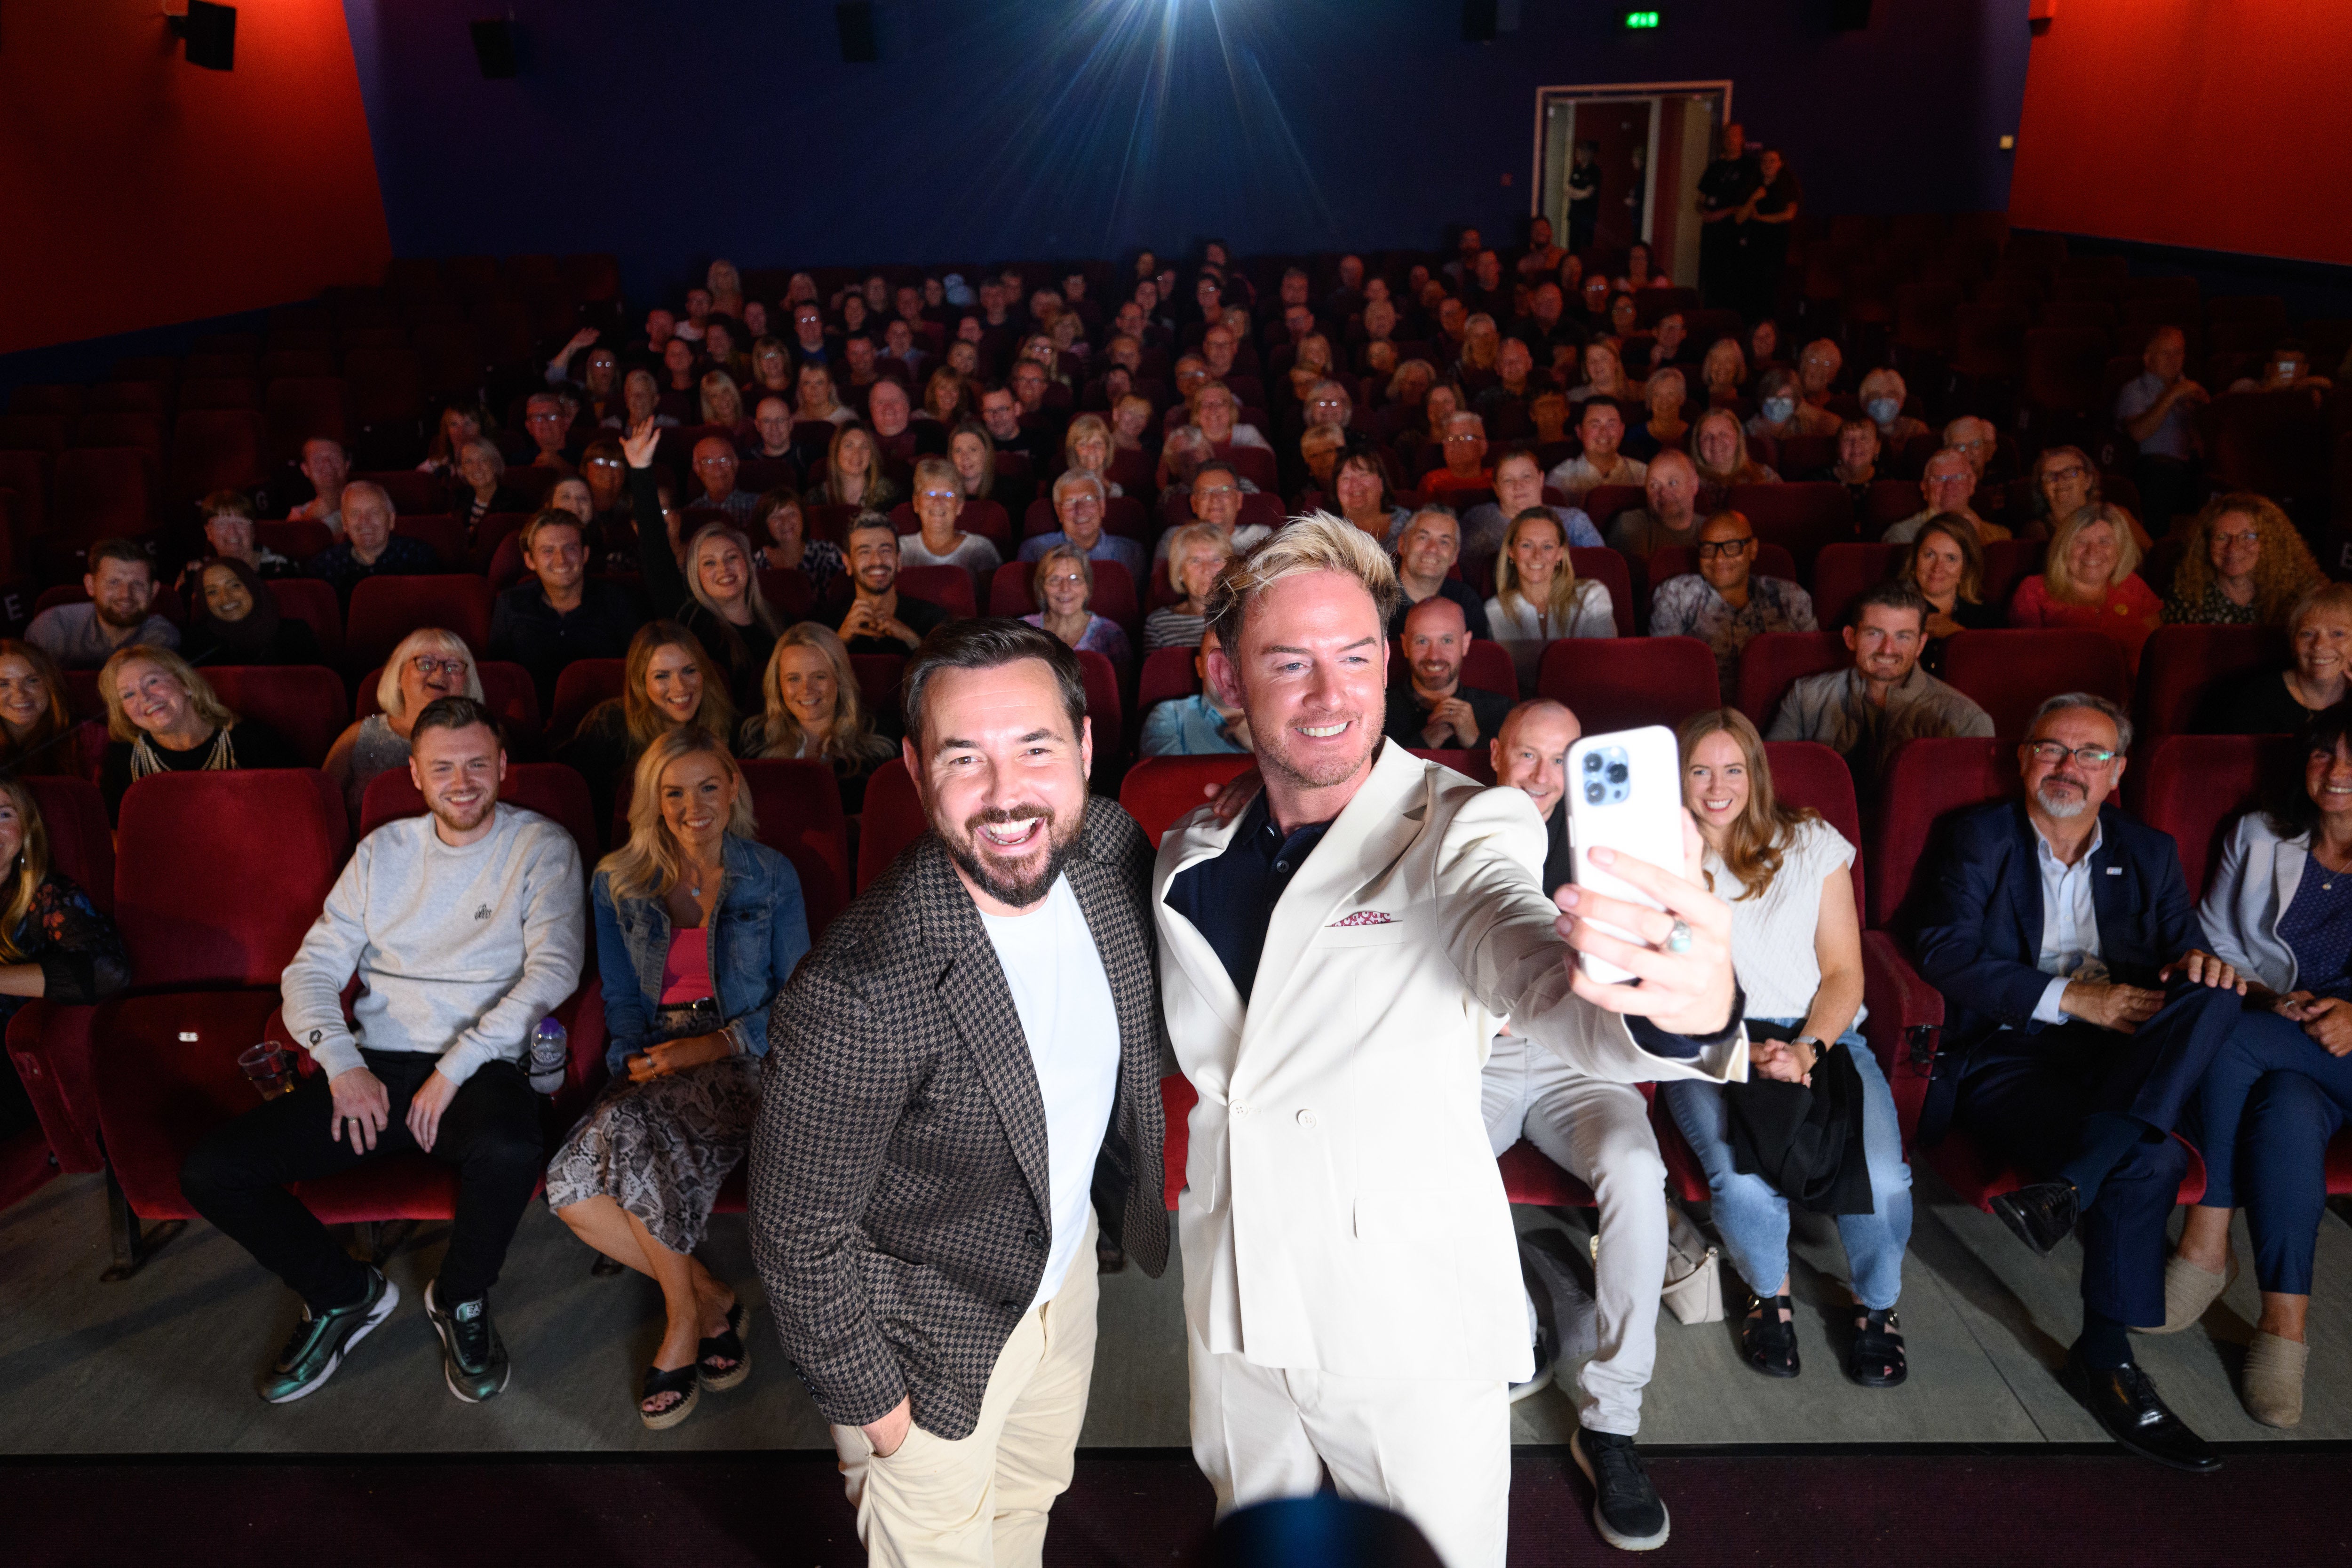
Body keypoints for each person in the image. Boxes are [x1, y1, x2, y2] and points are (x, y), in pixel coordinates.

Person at [1154, 513, 1742, 1567]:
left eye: (1355, 658)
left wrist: (1672, 1002)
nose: (1330, 697)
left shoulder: (1464, 826)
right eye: (1288, 663)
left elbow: (1529, 958)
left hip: (1404, 1327)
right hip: (1234, 1302)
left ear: (1388, 665)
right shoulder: (1189, 851)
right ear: (1226, 678)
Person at [754, 619, 1168, 1567]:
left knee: (1028, 1505)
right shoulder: (861, 991)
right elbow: (796, 1234)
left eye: (1034, 747)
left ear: (1085, 748)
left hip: (1062, 1286)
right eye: (962, 757)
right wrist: (880, 1415)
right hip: (924, 1346)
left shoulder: (1109, 849)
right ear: (912, 768)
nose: (1005, 793)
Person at [180, 697, 583, 1405]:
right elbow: (311, 970)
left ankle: (459, 1296)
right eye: (443, 769)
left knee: (515, 1148)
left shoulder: (540, 846)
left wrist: (452, 1070)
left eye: (477, 765)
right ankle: (342, 1295)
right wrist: (343, 1064)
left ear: (503, 768)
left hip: (480, 1067)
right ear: (417, 778)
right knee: (213, 1169)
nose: (463, 782)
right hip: (373, 1064)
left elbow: (554, 971)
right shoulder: (383, 851)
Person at [1914, 694, 2247, 1471]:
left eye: (2091, 753)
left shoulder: (2150, 850)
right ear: (2025, 757)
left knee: (2218, 992)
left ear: (2118, 771)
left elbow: (2183, 951)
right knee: (2156, 1160)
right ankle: (2107, 1358)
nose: (2070, 766)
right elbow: (1941, 952)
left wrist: (2193, 966)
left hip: (2120, 1056)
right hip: (2009, 1051)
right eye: (2053, 749)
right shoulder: (1979, 838)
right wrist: (2074, 998)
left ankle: (2070, 1184)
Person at [549, 728, 809, 1429]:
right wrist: (636, 1061)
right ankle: (707, 1297)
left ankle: (681, 1325)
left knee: (632, 1136)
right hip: (655, 1057)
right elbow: (623, 1001)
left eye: (707, 787)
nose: (694, 806)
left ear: (732, 787)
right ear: (653, 800)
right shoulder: (618, 879)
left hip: (741, 1058)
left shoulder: (770, 874)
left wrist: (714, 1044)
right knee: (567, 1188)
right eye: (674, 792)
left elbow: (798, 996)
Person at [1659, 710, 1915, 1388]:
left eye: (1734, 769)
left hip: (1818, 1031)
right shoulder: (1660, 854)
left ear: (1756, 774)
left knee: (1884, 1179)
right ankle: (1769, 1295)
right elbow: (1665, 979)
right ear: (1676, 778)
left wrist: (1803, 1050)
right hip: (1707, 1038)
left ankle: (1876, 1305)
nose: (1718, 787)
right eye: (1700, 770)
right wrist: (1740, 1052)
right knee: (1741, 1182)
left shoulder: (1810, 842)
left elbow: (1844, 974)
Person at [2178, 705, 2352, 1426]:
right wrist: (2271, 996)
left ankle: (2207, 1238)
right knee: (2285, 1106)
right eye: (2323, 755)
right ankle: (2285, 1325)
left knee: (2235, 1043)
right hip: (2291, 1038)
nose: (2337, 773)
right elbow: (2217, 939)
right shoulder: (2258, 835)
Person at [1765, 582, 1994, 795]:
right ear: (1851, 638)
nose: (1887, 649)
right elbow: (1766, 780)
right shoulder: (1805, 697)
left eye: (1903, 636)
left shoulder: (1966, 720)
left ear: (1920, 645)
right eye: (1875, 634)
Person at [0, 774, 132, 1140]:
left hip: (16, 1067)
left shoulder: (48, 896)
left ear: (26, 828)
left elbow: (107, 972)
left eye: (4, 814)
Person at [624, 420, 787, 702]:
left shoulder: (778, 621)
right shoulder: (687, 621)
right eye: (709, 563)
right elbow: (656, 551)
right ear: (694, 574)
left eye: (732, 557)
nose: (723, 569)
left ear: (748, 565)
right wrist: (640, 470)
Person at [559, 622, 738, 836]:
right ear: (640, 683)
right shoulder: (608, 726)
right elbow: (582, 816)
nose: (680, 687)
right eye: (662, 676)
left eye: (689, 671)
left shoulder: (731, 726)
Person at [96, 645, 298, 820]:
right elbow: (110, 833)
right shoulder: (121, 756)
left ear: (186, 684)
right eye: (128, 695)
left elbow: (297, 809)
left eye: (152, 682)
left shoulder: (253, 740)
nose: (145, 698)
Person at [1649, 511, 1818, 702]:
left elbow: (1812, 672)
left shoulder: (1790, 598)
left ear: (1753, 549)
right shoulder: (1676, 594)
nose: (1719, 559)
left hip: (1781, 710)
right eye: (1708, 549)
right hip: (1700, 712)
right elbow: (1663, 673)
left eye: (1732, 547)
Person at [323, 628, 485, 818]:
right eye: (425, 663)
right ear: (399, 676)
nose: (440, 672)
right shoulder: (358, 737)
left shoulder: (486, 735)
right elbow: (321, 808)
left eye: (453, 666)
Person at [488, 509, 644, 708]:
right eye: (548, 551)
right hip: (535, 727)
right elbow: (500, 679)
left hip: (610, 719)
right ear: (530, 560)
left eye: (570, 548)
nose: (561, 560)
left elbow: (639, 673)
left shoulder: (618, 601)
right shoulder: (510, 605)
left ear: (585, 554)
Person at [737, 623, 898, 812]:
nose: (807, 690)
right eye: (794, 679)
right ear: (778, 684)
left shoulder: (882, 743)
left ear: (839, 679)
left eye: (819, 677)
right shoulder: (752, 741)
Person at [2009, 506, 2162, 676]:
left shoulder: (2133, 584)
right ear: (2063, 548)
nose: (2092, 552)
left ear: (2120, 550)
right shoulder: (2033, 591)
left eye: (2104, 542)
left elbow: (2160, 653)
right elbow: (2027, 664)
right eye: (2081, 541)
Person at [1485, 508, 1616, 695]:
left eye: (1547, 546)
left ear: (1560, 554)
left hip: (1588, 702)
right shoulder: (1495, 610)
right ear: (1511, 552)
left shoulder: (1592, 597)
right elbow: (1502, 686)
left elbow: (1603, 669)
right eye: (1527, 545)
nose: (1537, 556)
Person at [2200, 582, 2352, 735]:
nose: (2319, 646)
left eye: (2338, 634)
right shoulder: (2255, 700)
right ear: (2293, 642)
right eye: (2308, 634)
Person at [2163, 493, 2319, 627]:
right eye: (2222, 537)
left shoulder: (2299, 597)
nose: (2233, 548)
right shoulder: (2186, 597)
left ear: (2272, 543)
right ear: (2205, 544)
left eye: (2248, 537)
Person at [1383, 596, 1512, 751]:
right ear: (1405, 646)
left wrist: (1476, 741)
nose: (1434, 656)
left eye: (1447, 641)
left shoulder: (1503, 713)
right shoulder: (1377, 713)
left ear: (1465, 644)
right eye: (1422, 641)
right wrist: (1423, 743)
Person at [25, 538, 178, 668]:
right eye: (114, 583)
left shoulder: (162, 638)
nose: (125, 594)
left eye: (137, 584)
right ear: (91, 585)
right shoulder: (51, 630)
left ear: (154, 591)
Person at [2114, 326, 2207, 532]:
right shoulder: (2135, 390)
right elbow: (2138, 433)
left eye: (2178, 353)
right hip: (2151, 469)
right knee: (2163, 473)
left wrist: (2204, 410)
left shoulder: (2192, 390)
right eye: (2166, 353)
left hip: (2189, 467)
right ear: (2148, 359)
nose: (2173, 359)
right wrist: (2172, 395)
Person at [1896, 518, 2004, 672]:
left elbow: (1999, 671)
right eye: (1929, 555)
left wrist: (1958, 636)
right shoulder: (1890, 609)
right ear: (1915, 560)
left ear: (1966, 568)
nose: (1937, 568)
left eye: (1951, 558)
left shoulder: (1990, 618)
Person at [305, 482, 438, 606]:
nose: (364, 522)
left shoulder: (419, 557)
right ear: (344, 524)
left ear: (391, 520)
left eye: (374, 512)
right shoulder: (324, 567)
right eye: (355, 514)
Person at [1460, 449, 1602, 561]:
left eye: (1526, 477)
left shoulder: (1574, 522)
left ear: (1541, 480)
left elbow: (1602, 568)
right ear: (1496, 488)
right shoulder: (1477, 521)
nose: (1518, 486)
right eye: (1508, 480)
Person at [180, 557, 323, 667]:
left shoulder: (296, 635)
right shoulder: (196, 643)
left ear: (253, 588)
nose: (225, 598)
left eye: (235, 586)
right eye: (212, 592)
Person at [1139, 626, 1252, 758]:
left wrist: (1261, 750)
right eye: (1217, 655)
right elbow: (1167, 778)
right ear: (1199, 667)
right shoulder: (1171, 717)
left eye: (1238, 654)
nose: (1229, 666)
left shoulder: (1278, 716)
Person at [1023, 470, 1149, 584]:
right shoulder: (1035, 551)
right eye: (1070, 501)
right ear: (1058, 511)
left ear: (1102, 507)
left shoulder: (1132, 553)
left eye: (1088, 499)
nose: (1080, 510)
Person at [1387, 507, 1493, 641]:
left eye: (1444, 542)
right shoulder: (1375, 600)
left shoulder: (1466, 602)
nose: (1432, 549)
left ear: (1455, 555)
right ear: (1402, 545)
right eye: (1423, 538)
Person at [1024, 546, 1131, 669]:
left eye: (1075, 579)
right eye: (1055, 579)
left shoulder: (1111, 634)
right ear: (1042, 589)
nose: (1065, 588)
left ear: (1087, 587)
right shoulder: (1024, 631)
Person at [0, 639, 92, 779]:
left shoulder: (88, 740)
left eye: (32, 681)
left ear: (51, 685)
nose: (20, 693)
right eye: (3, 684)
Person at [895, 457, 1002, 576]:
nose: (937, 502)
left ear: (959, 506)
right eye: (929, 494)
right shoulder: (901, 549)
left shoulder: (979, 549)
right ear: (916, 503)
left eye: (948, 495)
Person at [2027, 445, 2148, 549]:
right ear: (2042, 488)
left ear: (2088, 481)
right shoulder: (2037, 531)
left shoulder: (2118, 517)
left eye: (2070, 472)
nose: (2060, 480)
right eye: (2050, 476)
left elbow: (2154, 559)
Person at [1880, 447, 2009, 545]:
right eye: (1939, 479)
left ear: (1972, 485)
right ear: (1924, 488)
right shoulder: (1902, 536)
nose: (1949, 486)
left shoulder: (2000, 537)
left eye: (1958, 478)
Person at [1695, 122, 1759, 311]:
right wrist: (1704, 212)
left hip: (1735, 236)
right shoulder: (1715, 167)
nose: (1731, 140)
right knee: (1711, 283)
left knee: (1733, 286)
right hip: (1712, 237)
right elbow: (1699, 199)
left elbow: (1750, 203)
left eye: (1735, 136)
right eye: (1727, 136)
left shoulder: (1750, 167)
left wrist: (1723, 213)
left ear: (1742, 140)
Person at [1146, 523, 1236, 654]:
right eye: (1195, 561)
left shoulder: (1244, 615)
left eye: (1216, 559)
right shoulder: (1158, 624)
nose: (1207, 570)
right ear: (1180, 572)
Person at [1544, 397, 1647, 509]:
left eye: (1611, 425)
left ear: (1622, 430)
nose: (1604, 433)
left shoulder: (1642, 475)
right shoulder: (1560, 479)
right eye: (1595, 425)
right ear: (1579, 432)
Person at [1734, 149, 1800, 321]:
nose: (1767, 165)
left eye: (1772, 161)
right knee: (1749, 292)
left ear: (1781, 164)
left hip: (1776, 245)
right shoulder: (1753, 186)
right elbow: (1739, 219)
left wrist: (1762, 219)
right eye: (1764, 161)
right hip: (1753, 245)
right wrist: (1753, 199)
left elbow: (1789, 215)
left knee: (1770, 293)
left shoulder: (1788, 186)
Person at [1605, 449, 1706, 558]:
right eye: (1654, 486)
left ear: (1694, 484)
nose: (1663, 493)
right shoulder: (1631, 525)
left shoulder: (1711, 529)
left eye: (1673, 483)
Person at [446, 439, 532, 541]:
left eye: (483, 460)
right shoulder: (457, 500)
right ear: (461, 470)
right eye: (468, 462)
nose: (476, 468)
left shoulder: (516, 504)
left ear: (495, 464)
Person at [1690, 408, 1780, 490]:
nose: (1715, 442)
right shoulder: (1689, 482)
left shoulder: (1765, 476)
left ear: (1738, 438)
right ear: (1698, 443)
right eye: (1707, 437)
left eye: (1723, 435)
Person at [1745, 368, 1838, 442]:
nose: (1779, 403)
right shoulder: (1746, 432)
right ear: (1763, 399)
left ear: (1795, 402)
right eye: (1773, 396)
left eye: (1785, 398)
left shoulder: (1804, 431)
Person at [686, 436, 760, 524]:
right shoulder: (690, 514)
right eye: (708, 462)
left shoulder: (760, 506)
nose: (717, 468)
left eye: (724, 460)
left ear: (736, 463)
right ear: (697, 468)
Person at [1421, 412, 1494, 498]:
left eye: (1465, 437)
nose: (1456, 443)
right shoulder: (1431, 482)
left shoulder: (1497, 479)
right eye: (1450, 438)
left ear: (1483, 446)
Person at [289, 437, 352, 532]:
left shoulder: (371, 502)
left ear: (347, 465)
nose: (327, 464)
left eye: (334, 458)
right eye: (317, 459)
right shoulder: (299, 513)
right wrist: (310, 517)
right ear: (305, 469)